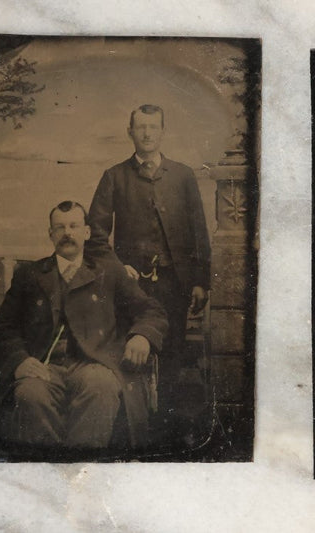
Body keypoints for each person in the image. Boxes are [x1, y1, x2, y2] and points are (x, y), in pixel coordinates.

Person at [0, 201, 168, 451]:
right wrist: (19, 360)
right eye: (60, 228)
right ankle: (48, 473)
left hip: (95, 363)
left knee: (101, 387)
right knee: (30, 394)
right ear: (50, 234)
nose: (67, 233)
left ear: (86, 233)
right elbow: (4, 328)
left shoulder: (110, 271)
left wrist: (142, 337)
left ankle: (84, 468)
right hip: (45, 365)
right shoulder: (29, 275)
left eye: (74, 226)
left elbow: (151, 311)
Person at [86, 104, 212, 445]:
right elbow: (96, 234)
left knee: (171, 356)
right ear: (130, 132)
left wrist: (201, 281)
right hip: (132, 285)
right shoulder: (114, 176)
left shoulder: (183, 175)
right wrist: (116, 267)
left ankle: (164, 431)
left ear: (162, 131)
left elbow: (199, 231)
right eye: (140, 127)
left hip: (175, 284)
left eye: (153, 127)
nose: (146, 133)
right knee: (132, 352)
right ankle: (133, 430)